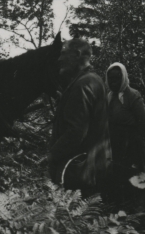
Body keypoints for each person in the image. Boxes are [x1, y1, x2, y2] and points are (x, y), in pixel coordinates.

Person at [47, 37, 111, 201]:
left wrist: (52, 155)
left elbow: (75, 132)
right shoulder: (94, 80)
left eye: (63, 53)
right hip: (92, 168)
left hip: (77, 173)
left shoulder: (82, 85)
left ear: (77, 54)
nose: (59, 59)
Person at [104, 61, 145, 212]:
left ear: (124, 78)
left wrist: (134, 144)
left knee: (137, 181)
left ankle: (140, 215)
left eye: (117, 78)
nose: (113, 82)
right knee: (119, 182)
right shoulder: (109, 97)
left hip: (132, 148)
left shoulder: (132, 95)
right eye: (111, 78)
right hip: (115, 149)